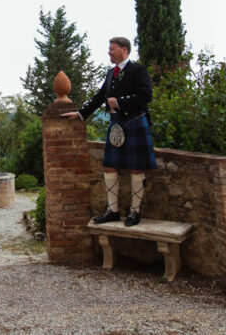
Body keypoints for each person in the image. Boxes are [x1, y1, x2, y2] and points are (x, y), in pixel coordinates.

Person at [62, 37, 156, 227]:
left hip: (135, 121)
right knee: (109, 166)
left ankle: (134, 212)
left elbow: (146, 95)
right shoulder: (110, 73)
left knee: (136, 168)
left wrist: (120, 102)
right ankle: (113, 211)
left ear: (124, 50)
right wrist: (81, 113)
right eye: (109, 49)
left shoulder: (138, 70)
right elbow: (99, 98)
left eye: (112, 49)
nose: (109, 52)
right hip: (116, 124)